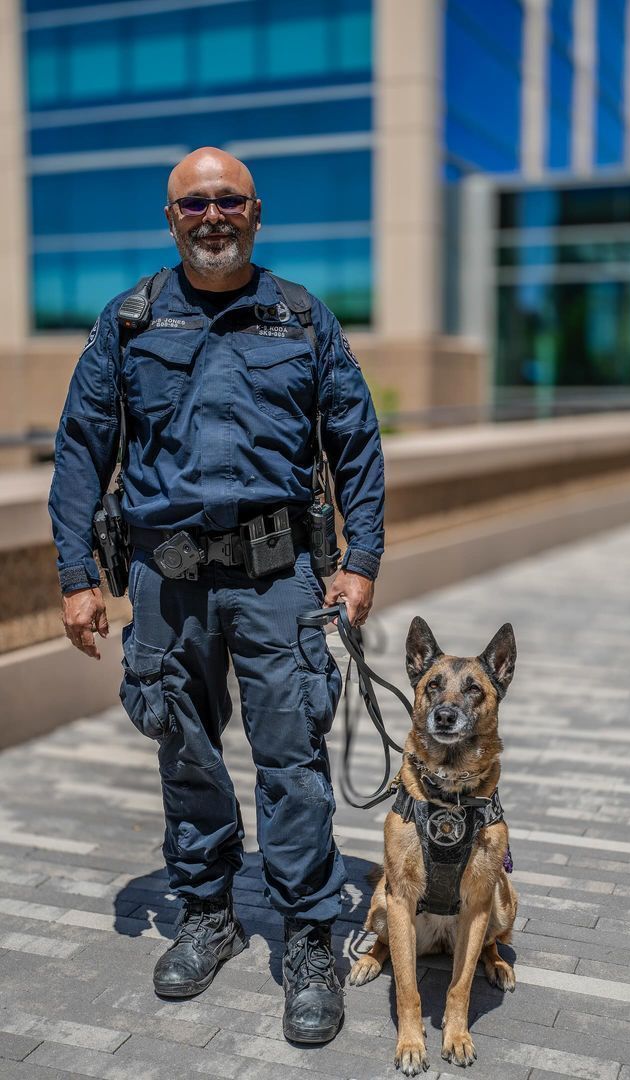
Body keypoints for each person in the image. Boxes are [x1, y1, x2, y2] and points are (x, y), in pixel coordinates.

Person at [48, 146, 385, 1045]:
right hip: (166, 582)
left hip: (280, 578)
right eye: (193, 204)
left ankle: (311, 934)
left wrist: (361, 564)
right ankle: (208, 912)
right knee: (183, 752)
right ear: (171, 220)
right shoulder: (128, 321)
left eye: (227, 201)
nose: (211, 216)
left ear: (256, 212)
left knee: (292, 761)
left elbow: (355, 441)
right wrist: (79, 577)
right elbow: (82, 448)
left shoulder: (301, 317)